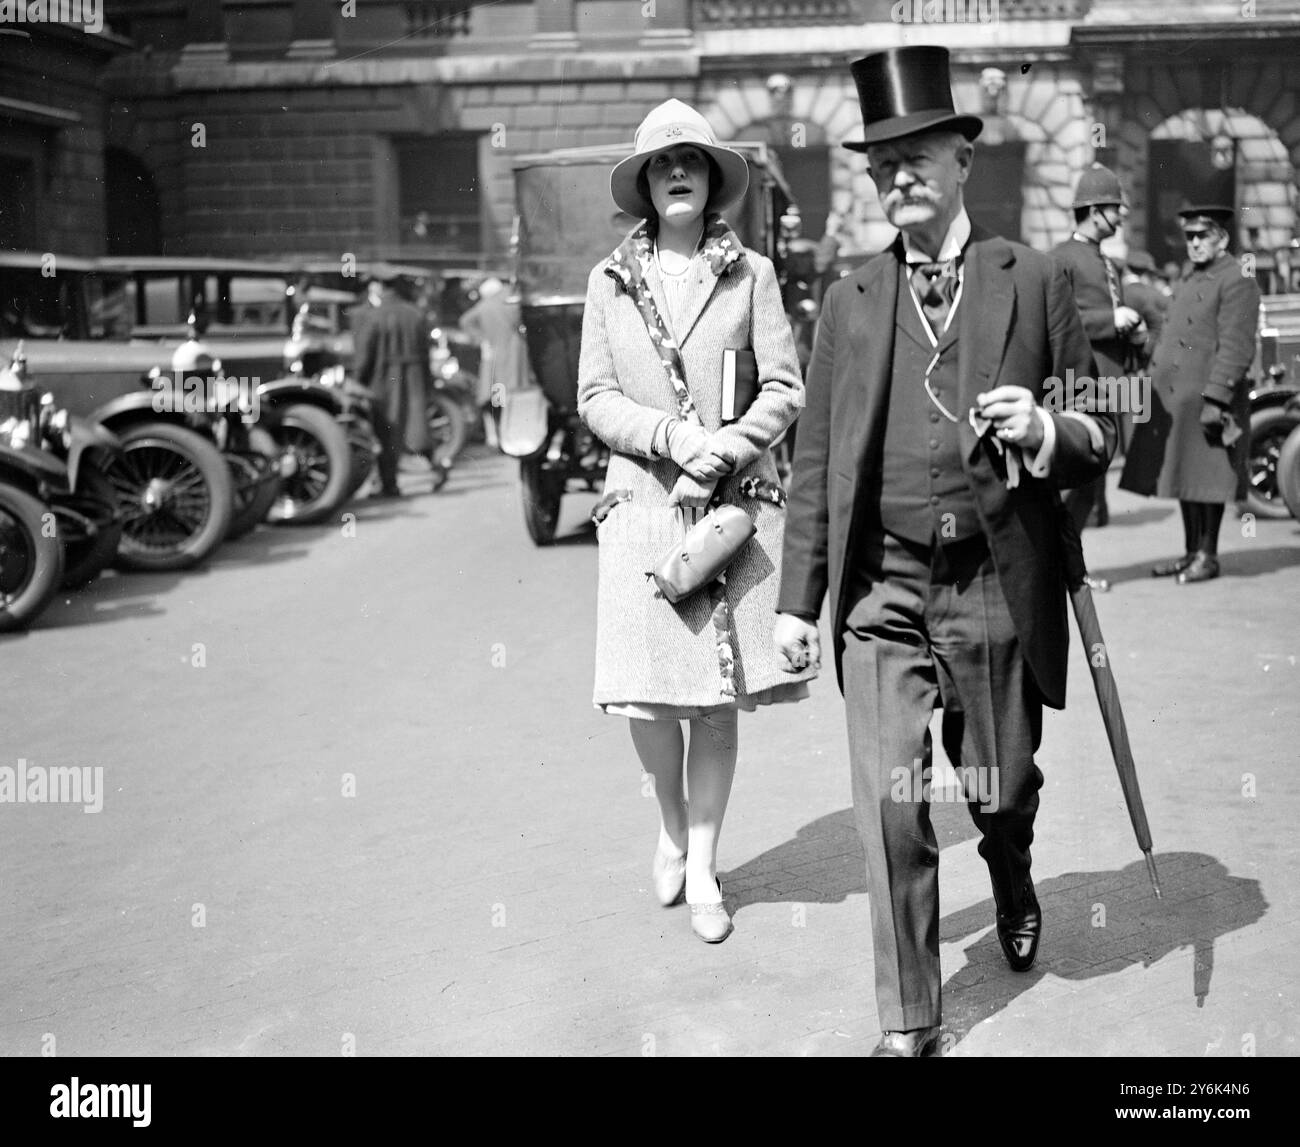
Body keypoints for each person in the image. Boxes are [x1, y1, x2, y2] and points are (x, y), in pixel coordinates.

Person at [774, 46, 1118, 1056]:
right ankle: (910, 1018)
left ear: (963, 157)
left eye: (918, 153)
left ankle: (1010, 864)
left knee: (994, 786)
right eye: (882, 163)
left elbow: (1107, 417)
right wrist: (799, 603)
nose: (899, 177)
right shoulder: (847, 300)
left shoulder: (1035, 277)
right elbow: (817, 462)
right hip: (882, 590)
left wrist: (1051, 431)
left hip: (992, 586)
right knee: (889, 804)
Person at [577, 99, 815, 944]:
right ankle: (671, 825)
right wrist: (674, 436)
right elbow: (595, 396)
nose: (678, 171)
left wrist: (728, 446)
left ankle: (708, 864)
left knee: (715, 702)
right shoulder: (608, 281)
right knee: (648, 702)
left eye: (693, 159)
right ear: (644, 184)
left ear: (713, 178)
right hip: (640, 505)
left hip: (729, 510)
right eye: (661, 162)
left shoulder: (751, 272)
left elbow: (785, 386)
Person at [1120, 203, 1261, 583]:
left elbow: (1236, 345)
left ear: (1222, 238)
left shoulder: (1236, 279)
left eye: (1203, 236)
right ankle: (1189, 552)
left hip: (1207, 399)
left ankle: (1208, 554)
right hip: (1177, 400)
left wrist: (1217, 398)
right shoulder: (1191, 277)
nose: (1194, 243)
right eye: (1190, 237)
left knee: (1208, 479)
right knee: (1185, 477)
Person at [1049, 164, 1145, 561]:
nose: (1122, 215)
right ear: (1094, 211)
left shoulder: (1104, 260)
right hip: (1076, 386)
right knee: (1072, 485)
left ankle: (1069, 568)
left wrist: (1133, 335)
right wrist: (1111, 321)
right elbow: (1057, 321)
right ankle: (1056, 568)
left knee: (1089, 484)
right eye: (1115, 208)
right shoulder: (1061, 259)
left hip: (1107, 385)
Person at [352, 276, 446, 496]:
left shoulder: (373, 316)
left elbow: (365, 355)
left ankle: (390, 484)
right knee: (418, 427)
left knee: (387, 430)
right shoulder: (414, 313)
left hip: (383, 380)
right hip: (414, 377)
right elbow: (426, 351)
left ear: (377, 286)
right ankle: (438, 469)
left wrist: (358, 380)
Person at [458, 276, 527, 448]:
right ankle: (511, 433)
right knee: (516, 393)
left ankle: (497, 435)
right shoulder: (511, 300)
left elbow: (465, 321)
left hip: (493, 357)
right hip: (515, 354)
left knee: (497, 394)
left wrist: (481, 339)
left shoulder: (484, 306)